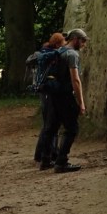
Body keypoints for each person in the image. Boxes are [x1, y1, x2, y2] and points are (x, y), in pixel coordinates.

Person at [38, 28, 88, 173]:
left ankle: (45, 160)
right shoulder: (72, 54)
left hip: (53, 94)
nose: (84, 44)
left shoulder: (59, 51)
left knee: (51, 128)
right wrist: (81, 102)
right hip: (65, 96)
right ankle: (61, 162)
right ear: (75, 39)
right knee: (72, 128)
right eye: (83, 41)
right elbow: (75, 80)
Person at [31, 32, 66, 164]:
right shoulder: (48, 54)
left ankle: (42, 154)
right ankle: (48, 154)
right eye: (62, 42)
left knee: (48, 125)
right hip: (47, 91)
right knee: (50, 125)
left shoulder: (46, 51)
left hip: (45, 91)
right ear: (57, 44)